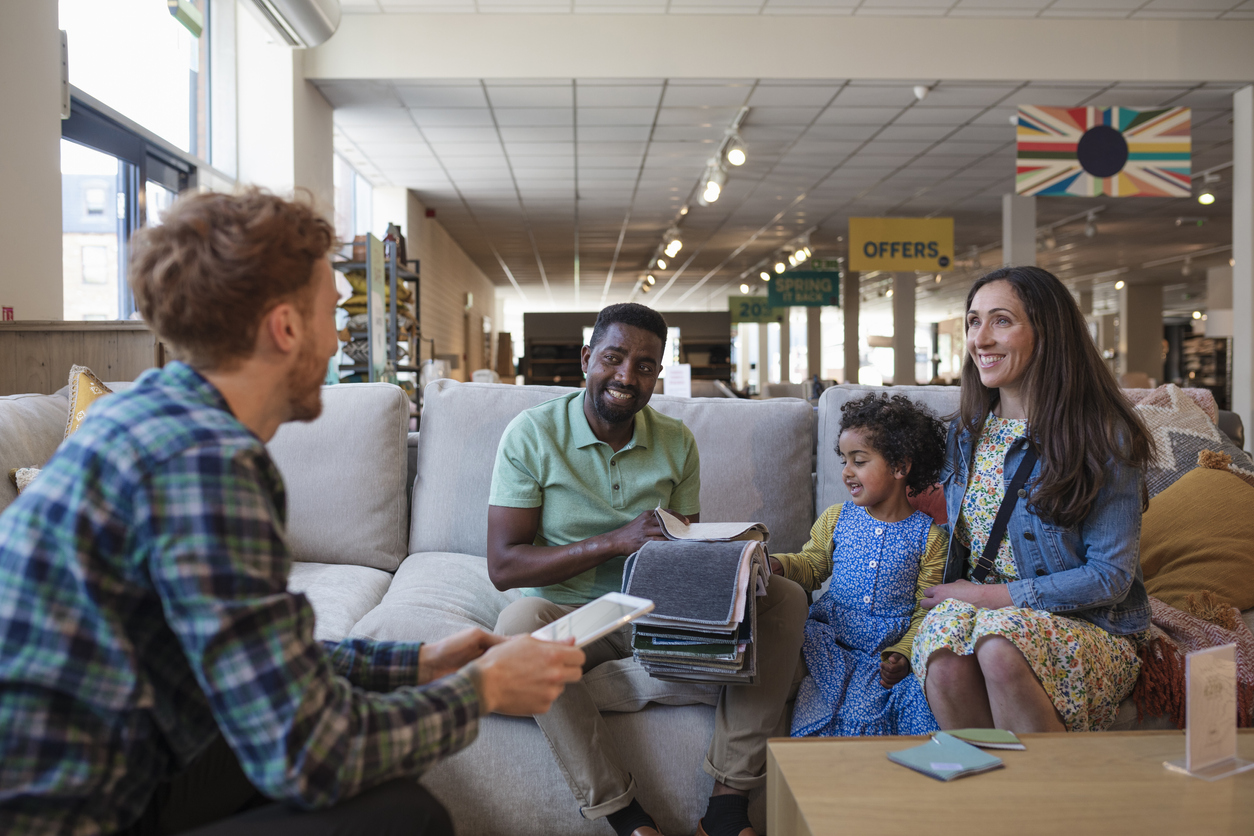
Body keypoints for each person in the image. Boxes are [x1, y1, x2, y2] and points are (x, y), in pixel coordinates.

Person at [0, 189, 585, 836]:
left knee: (373, 749)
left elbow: (253, 661)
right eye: (333, 312)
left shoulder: (146, 413)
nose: (338, 339)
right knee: (402, 814)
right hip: (71, 813)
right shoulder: (207, 465)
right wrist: (486, 691)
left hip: (109, 757)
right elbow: (312, 756)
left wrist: (417, 664)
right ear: (285, 327)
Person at [487, 303, 807, 836]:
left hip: (656, 608)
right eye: (613, 358)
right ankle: (625, 816)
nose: (626, 377)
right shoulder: (532, 434)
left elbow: (682, 549)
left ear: (658, 374)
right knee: (518, 625)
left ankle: (726, 809)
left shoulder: (676, 441)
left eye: (644, 366)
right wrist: (615, 541)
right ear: (587, 358)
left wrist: (733, 563)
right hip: (572, 612)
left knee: (786, 596)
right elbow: (503, 565)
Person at [913, 265, 1153, 734]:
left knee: (999, 647)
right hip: (984, 618)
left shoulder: (1104, 438)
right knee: (942, 652)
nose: (981, 338)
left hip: (1087, 624)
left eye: (1001, 320)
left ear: (1048, 332)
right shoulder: (964, 433)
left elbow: (1111, 578)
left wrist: (985, 597)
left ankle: (1041, 801)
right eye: (973, 321)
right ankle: (987, 795)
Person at [770, 393, 947, 738]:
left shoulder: (930, 538)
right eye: (844, 461)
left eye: (859, 461)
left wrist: (903, 652)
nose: (847, 472)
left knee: (898, 703)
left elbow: (927, 610)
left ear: (900, 467)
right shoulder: (837, 518)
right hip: (829, 638)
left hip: (886, 646)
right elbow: (813, 565)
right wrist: (778, 563)